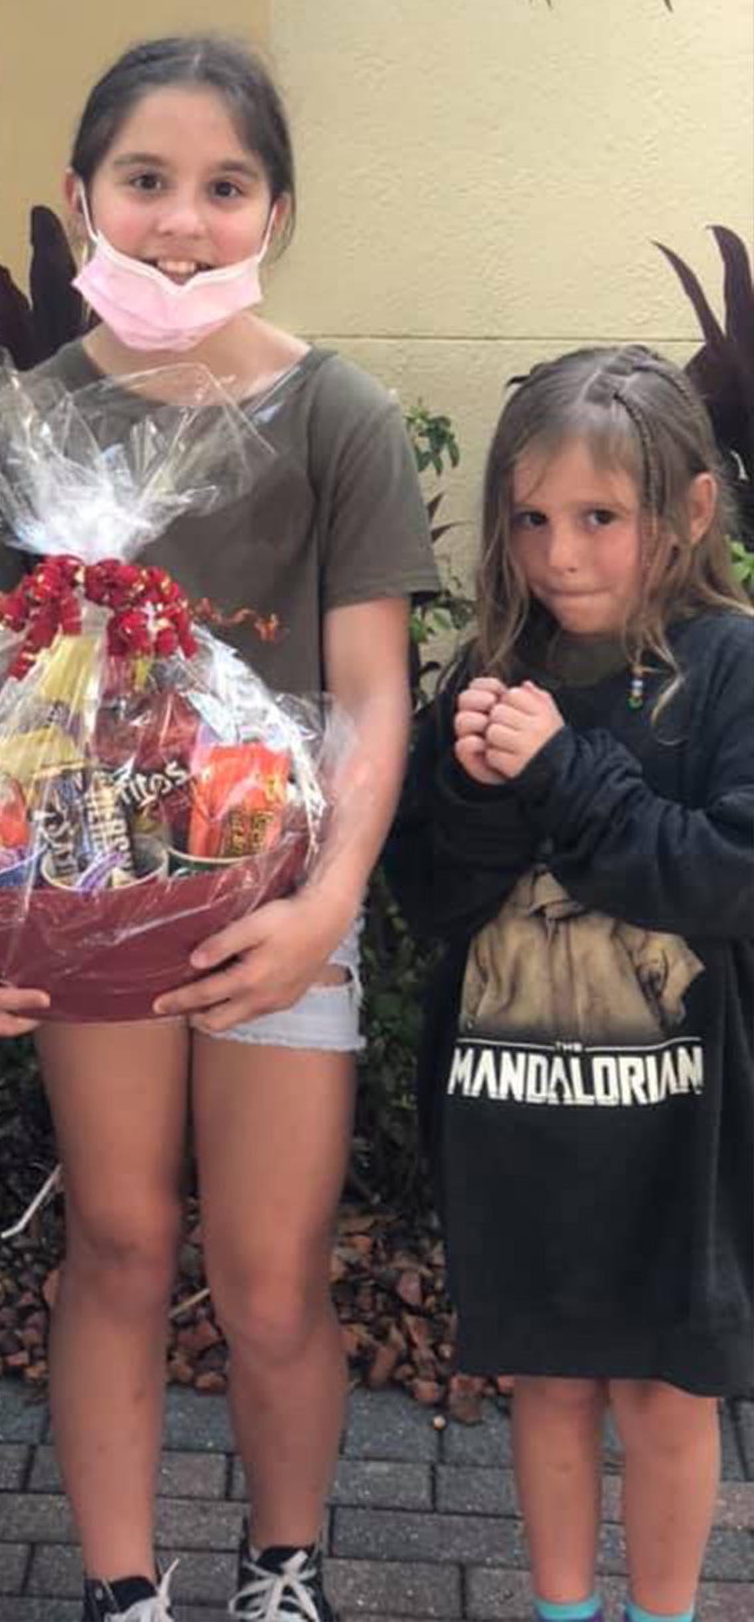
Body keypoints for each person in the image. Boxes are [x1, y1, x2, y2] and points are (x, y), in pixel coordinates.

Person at [0, 36, 437, 1622]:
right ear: (81, 201)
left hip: (282, 916)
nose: (181, 223)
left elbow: (368, 693)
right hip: (82, 907)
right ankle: (121, 1589)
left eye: (223, 188)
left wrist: (325, 903)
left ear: (277, 209)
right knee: (124, 1241)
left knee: (274, 1279)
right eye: (145, 183)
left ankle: (288, 1574)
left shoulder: (338, 416)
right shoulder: (23, 433)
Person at [388, 347, 754, 1622]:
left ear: (692, 511)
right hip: (515, 1114)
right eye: (533, 519)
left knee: (664, 1395)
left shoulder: (731, 670)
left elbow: (726, 880)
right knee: (545, 1389)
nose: (561, 555)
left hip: (683, 1130)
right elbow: (431, 900)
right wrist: (481, 792)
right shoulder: (494, 667)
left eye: (601, 518)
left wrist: (566, 777)